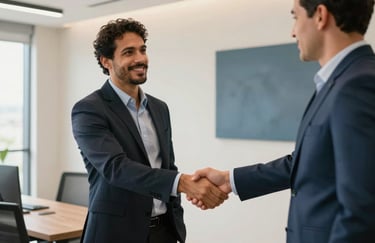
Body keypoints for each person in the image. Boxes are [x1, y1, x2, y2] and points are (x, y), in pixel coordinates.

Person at [191, 0, 375, 242]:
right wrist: (230, 179)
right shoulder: (342, 80)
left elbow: (362, 210)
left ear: (320, 16)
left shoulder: (357, 85)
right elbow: (308, 161)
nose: (293, 31)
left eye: (295, 17)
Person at [71, 18, 227, 243]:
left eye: (142, 50)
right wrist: (183, 183)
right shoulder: (89, 110)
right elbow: (116, 168)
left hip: (164, 231)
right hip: (116, 233)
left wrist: (189, 190)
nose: (140, 59)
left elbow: (166, 165)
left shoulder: (159, 107)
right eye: (128, 52)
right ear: (106, 61)